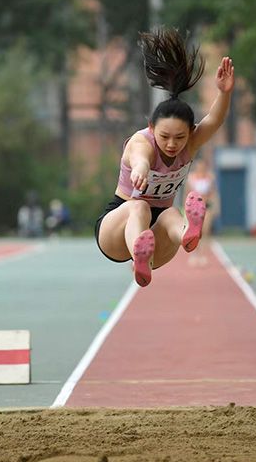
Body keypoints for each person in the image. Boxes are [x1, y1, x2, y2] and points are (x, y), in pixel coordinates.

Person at [95, 28, 234, 286]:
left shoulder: (190, 144)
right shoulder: (141, 141)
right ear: (151, 128)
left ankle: (187, 235)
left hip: (158, 241)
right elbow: (140, 157)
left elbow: (214, 121)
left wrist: (224, 93)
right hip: (116, 230)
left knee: (171, 214)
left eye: (180, 138)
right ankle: (139, 251)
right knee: (140, 206)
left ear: (189, 134)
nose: (172, 145)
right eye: (164, 137)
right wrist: (140, 169)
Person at [185, 159, 219, 266]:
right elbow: (187, 193)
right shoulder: (191, 178)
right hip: (194, 207)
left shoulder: (210, 177)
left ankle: (202, 255)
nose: (201, 168)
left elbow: (213, 193)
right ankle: (194, 254)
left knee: (205, 231)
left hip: (206, 206)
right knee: (196, 232)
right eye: (199, 166)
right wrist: (185, 208)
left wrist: (216, 207)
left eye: (202, 166)